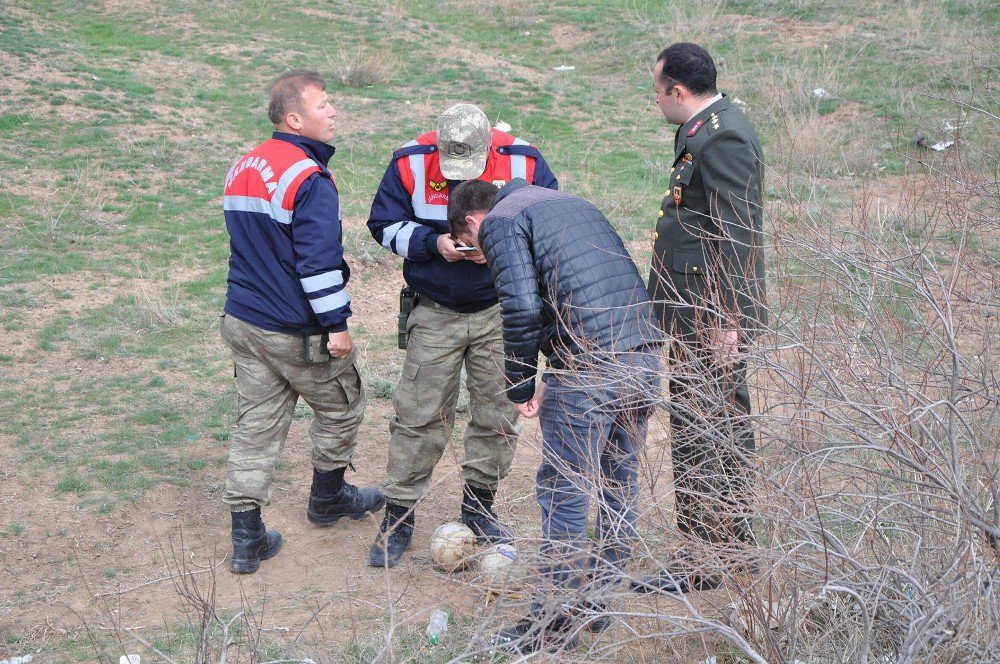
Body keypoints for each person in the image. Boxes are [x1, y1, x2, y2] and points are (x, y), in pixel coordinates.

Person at [448, 178, 662, 653]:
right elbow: (584, 290)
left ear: (472, 221)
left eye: (470, 247)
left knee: (564, 492)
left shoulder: (501, 222)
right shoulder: (564, 202)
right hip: (643, 356)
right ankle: (599, 602)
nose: (477, 255)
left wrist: (520, 382)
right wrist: (554, 371)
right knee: (617, 487)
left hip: (591, 370)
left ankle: (552, 622)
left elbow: (521, 309)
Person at [366, 104, 558, 568]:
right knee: (418, 413)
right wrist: (434, 245)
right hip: (435, 311)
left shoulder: (525, 162)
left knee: (497, 413)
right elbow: (382, 225)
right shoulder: (410, 162)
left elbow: (550, 222)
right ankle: (398, 518)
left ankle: (478, 508)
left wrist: (501, 251)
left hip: (500, 311)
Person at [220, 70, 384, 575]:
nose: (333, 112)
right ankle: (328, 499)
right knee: (342, 404)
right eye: (324, 106)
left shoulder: (243, 165)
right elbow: (316, 263)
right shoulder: (309, 178)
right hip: (294, 327)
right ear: (295, 119)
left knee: (257, 426)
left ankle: (248, 540)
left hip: (242, 321)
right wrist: (336, 326)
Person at [633, 43, 767, 594]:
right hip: (695, 307)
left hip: (707, 313)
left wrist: (725, 316)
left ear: (678, 91)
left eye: (658, 89)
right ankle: (729, 546)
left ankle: (706, 557)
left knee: (705, 429)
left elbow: (737, 232)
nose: (657, 99)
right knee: (713, 424)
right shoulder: (704, 128)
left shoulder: (724, 135)